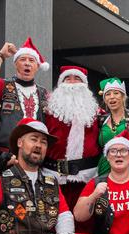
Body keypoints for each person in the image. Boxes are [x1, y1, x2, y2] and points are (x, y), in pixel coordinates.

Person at [42, 66, 100, 214]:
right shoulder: (47, 111)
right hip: (53, 176)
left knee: (84, 219)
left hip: (87, 177)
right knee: (54, 216)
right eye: (68, 78)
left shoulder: (97, 113)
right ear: (61, 83)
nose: (73, 83)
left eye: (77, 78)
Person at [0, 38, 50, 160]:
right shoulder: (3, 85)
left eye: (31, 60)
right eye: (22, 59)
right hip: (2, 157)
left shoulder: (43, 93)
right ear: (15, 64)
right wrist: (1, 55)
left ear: (37, 66)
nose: (27, 63)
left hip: (32, 159)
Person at [96, 77, 129, 176]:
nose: (112, 97)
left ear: (123, 96)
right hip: (104, 171)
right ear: (105, 100)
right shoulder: (101, 121)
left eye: (116, 93)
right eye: (108, 94)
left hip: (128, 171)